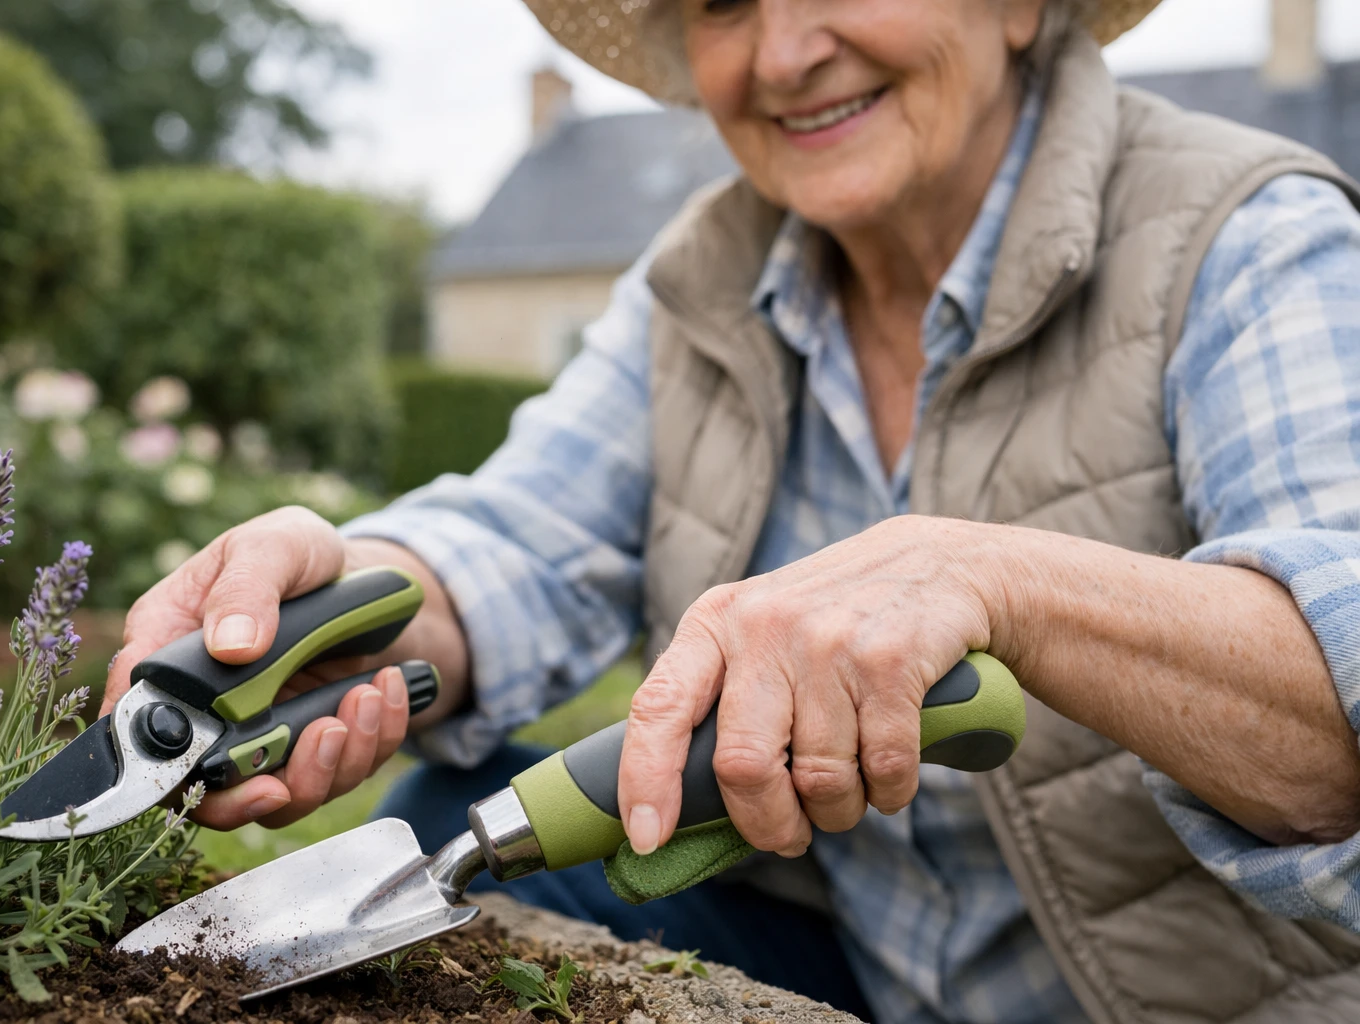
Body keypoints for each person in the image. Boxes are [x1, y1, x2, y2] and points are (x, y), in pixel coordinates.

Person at [104, 0, 1360, 1020]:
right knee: (453, 818)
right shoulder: (704, 277)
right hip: (857, 962)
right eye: (721, 1)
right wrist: (342, 600)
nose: (784, 52)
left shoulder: (1246, 236)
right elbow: (520, 538)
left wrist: (992, 579)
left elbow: (1336, 713)